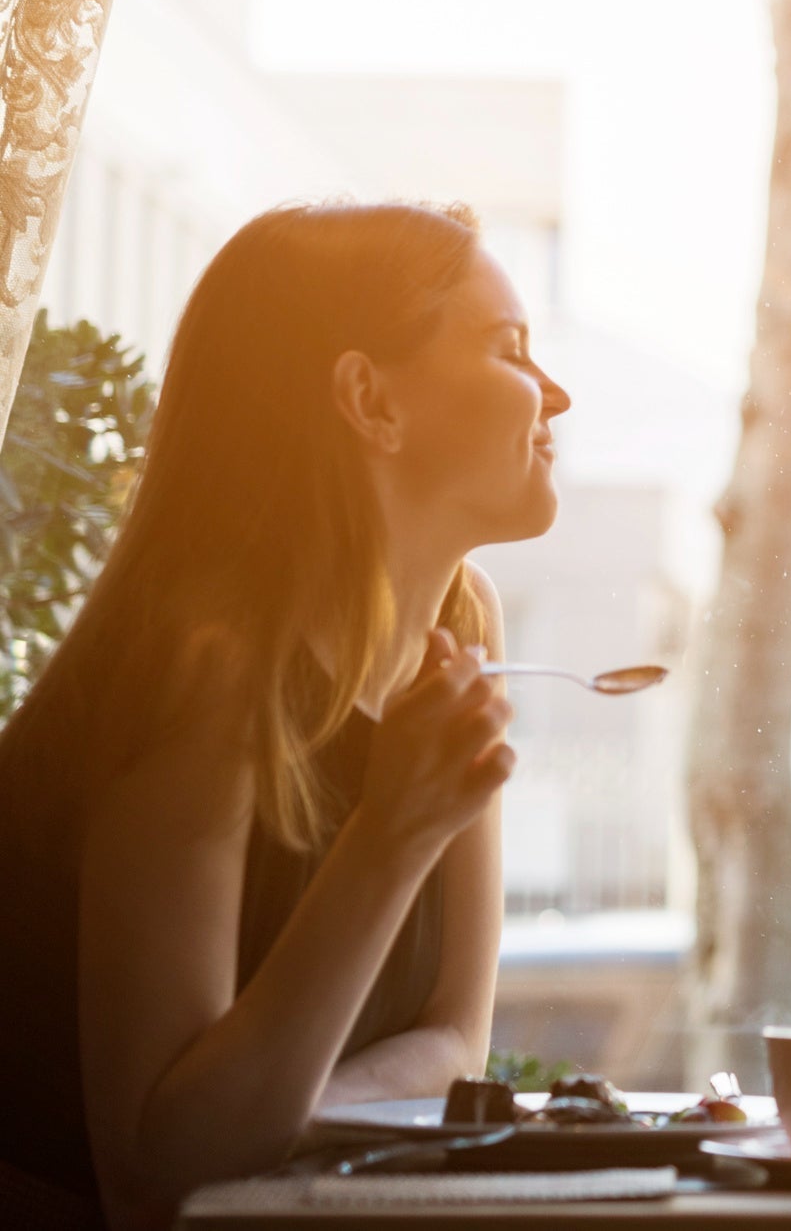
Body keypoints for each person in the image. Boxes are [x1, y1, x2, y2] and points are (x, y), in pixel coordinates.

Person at [0, 202, 570, 1230]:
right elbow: (157, 1180)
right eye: (511, 350)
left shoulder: (456, 622)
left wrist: (280, 1109)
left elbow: (456, 1044)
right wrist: (392, 836)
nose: (555, 394)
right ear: (368, 398)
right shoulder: (207, 668)